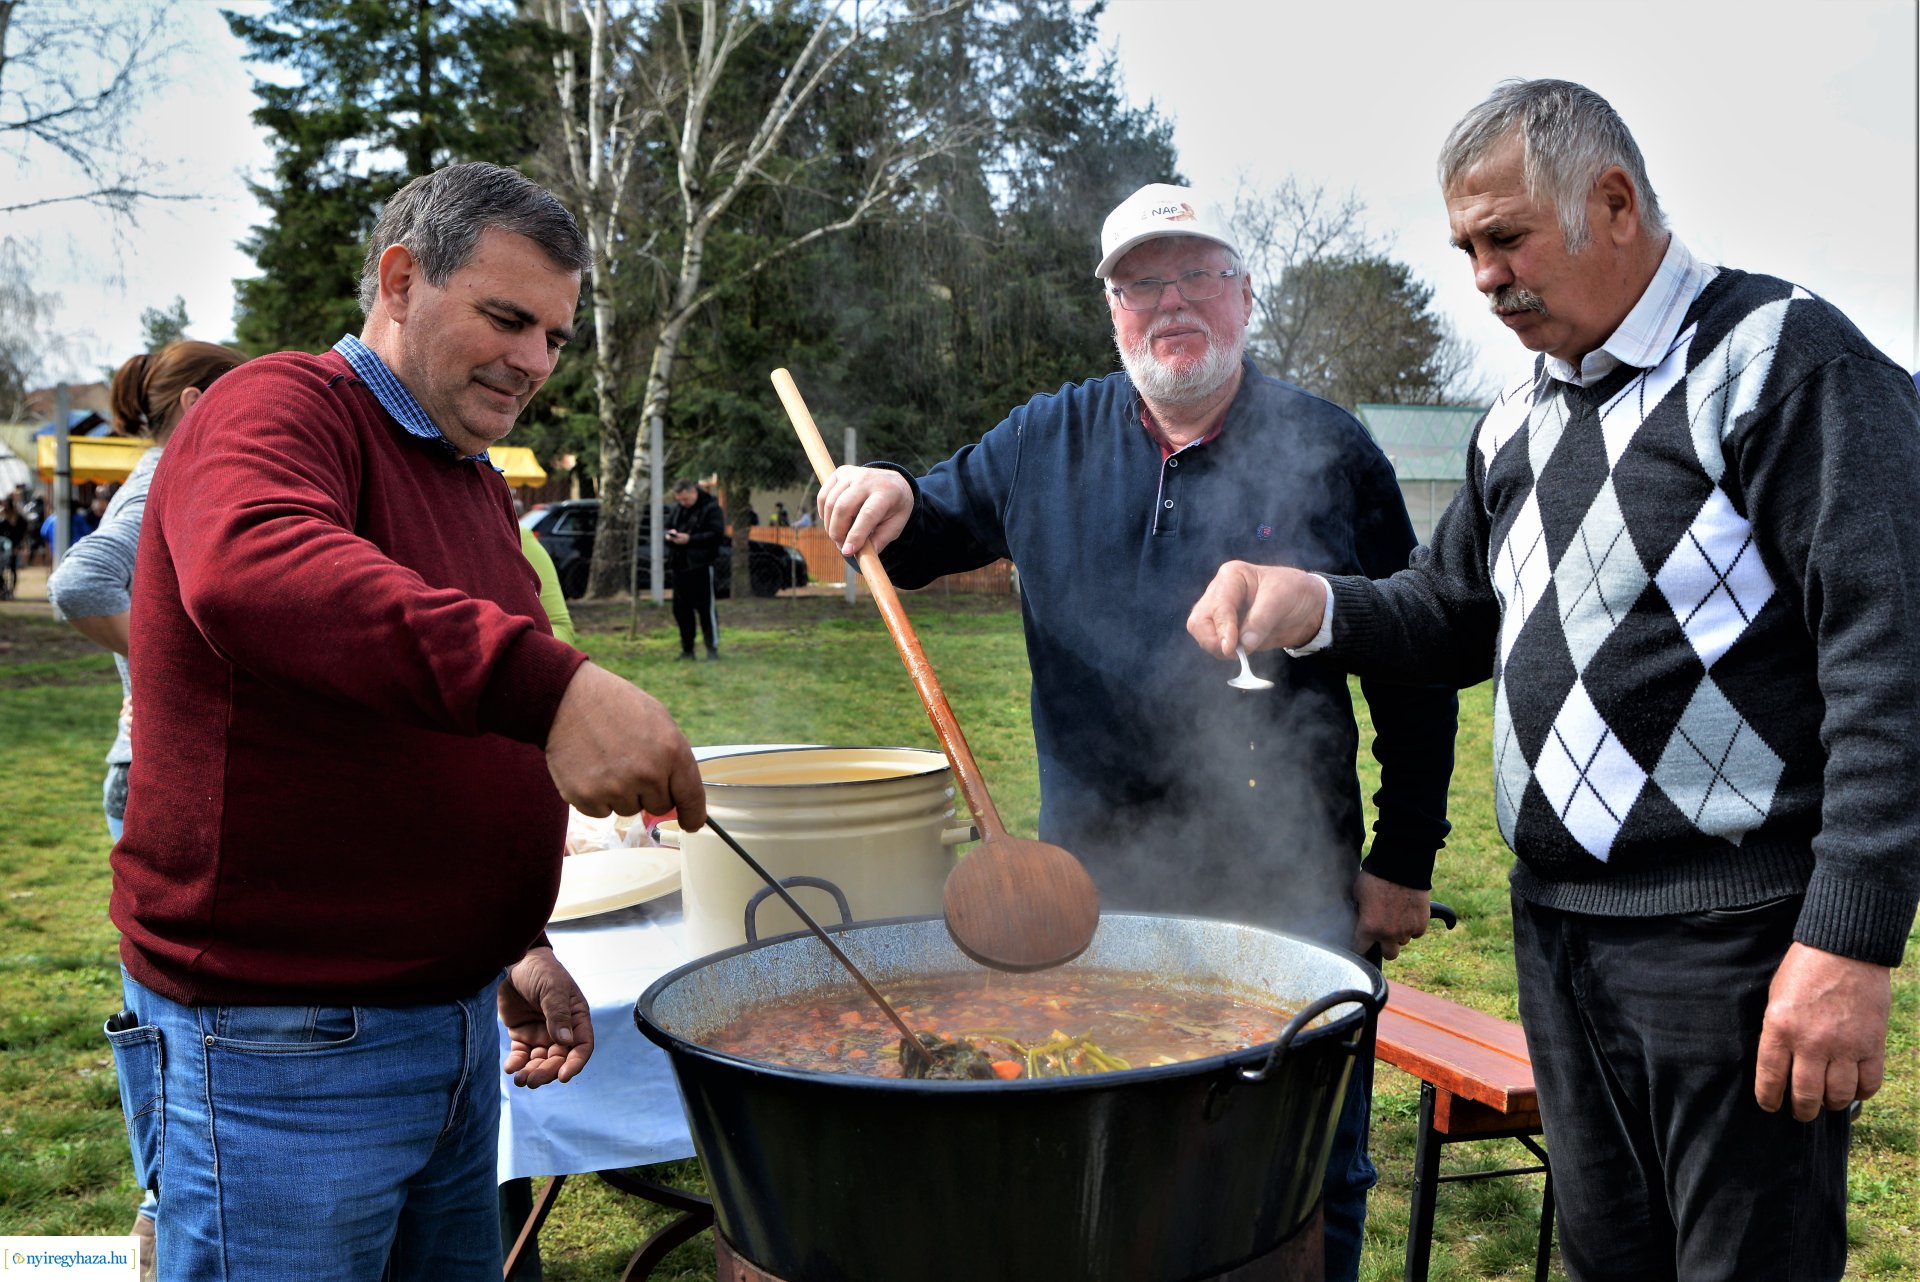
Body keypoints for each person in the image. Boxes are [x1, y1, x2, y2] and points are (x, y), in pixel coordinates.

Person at [1188, 80, 1920, 1282]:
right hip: (1562, 938)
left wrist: (1849, 939)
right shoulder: (1518, 418)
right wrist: (1310, 603)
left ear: (1614, 203)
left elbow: (1891, 659)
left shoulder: (1784, 362)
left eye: (1507, 237)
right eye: (1467, 250)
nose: (1485, 277)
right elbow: (1451, 615)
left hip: (1733, 942)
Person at [819, 182, 1458, 1281]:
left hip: (1290, 887)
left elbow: (1416, 657)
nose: (1172, 301)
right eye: (1141, 282)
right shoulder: (1043, 438)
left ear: (1244, 294)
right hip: (1093, 892)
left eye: (1198, 273)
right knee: (1108, 1172)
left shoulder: (1328, 447)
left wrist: (1401, 860)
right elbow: (924, 524)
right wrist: (888, 491)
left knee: (1307, 1177)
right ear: (1111, 308)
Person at [106, 161, 707, 1282]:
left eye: (555, 337)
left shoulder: (470, 478)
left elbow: (438, 726)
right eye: (507, 318)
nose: (536, 361)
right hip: (279, 1047)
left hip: (453, 1019)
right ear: (399, 280)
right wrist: (554, 688)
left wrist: (509, 942)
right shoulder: (278, 405)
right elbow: (256, 570)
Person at [46, 340, 248, 1269]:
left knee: (182, 1014)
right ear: (200, 401)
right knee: (173, 1016)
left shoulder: (181, 470)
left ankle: (163, 1215)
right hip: (155, 772)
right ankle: (158, 1220)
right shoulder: (168, 471)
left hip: (160, 766)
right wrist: (177, 660)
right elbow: (79, 581)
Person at [665, 477, 724, 659]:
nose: (683, 503)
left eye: (685, 499)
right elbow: (668, 527)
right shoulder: (677, 509)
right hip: (680, 565)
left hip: (702, 565)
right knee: (681, 610)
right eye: (679, 500)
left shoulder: (711, 508)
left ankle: (712, 650)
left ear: (693, 492)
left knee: (706, 609)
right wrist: (670, 535)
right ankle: (687, 650)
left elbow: (717, 535)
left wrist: (690, 539)